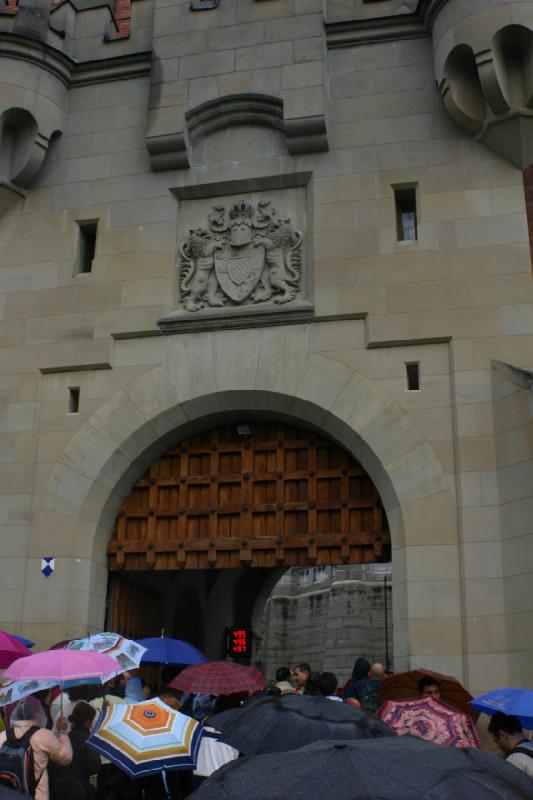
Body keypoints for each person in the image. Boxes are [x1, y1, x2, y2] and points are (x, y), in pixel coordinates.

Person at [0, 696, 72, 800]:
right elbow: (65, 758)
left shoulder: (3, 735)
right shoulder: (44, 735)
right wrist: (62, 732)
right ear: (37, 713)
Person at [49, 702, 101, 800]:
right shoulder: (88, 740)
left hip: (59, 789)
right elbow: (95, 766)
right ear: (87, 722)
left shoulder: (64, 738)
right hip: (79, 790)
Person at [488, 712, 533, 778]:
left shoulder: (514, 759)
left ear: (502, 735)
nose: (497, 746)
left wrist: (501, 761)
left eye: (496, 741)